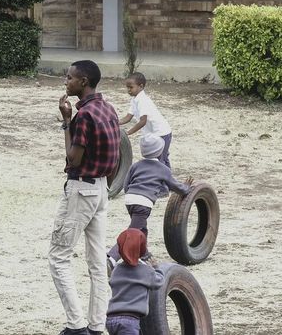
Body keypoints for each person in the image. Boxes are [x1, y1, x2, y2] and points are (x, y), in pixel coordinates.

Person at [49, 60, 120, 335]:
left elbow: (73, 158)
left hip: (81, 188)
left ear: (84, 81)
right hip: (102, 189)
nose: (66, 82)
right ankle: (96, 326)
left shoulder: (84, 116)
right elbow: (116, 157)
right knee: (97, 262)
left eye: (70, 78)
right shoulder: (108, 109)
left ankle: (76, 325)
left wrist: (67, 122)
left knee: (58, 256)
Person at [107, 134, 191, 269]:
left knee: (142, 229)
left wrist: (132, 194)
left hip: (130, 200)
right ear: (160, 152)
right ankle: (111, 257)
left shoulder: (136, 165)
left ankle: (144, 254)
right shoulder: (163, 169)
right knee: (132, 232)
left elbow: (126, 183)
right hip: (143, 203)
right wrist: (187, 188)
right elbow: (176, 187)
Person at [105, 228, 164, 335]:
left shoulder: (116, 269)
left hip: (111, 319)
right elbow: (159, 282)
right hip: (130, 321)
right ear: (142, 249)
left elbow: (112, 283)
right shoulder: (146, 271)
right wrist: (156, 268)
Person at [118, 72, 172, 168]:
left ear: (141, 86)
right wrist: (115, 123)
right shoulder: (135, 99)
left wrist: (128, 133)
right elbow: (128, 117)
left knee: (161, 161)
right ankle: (165, 179)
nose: (128, 90)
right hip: (154, 134)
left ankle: (165, 180)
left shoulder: (142, 100)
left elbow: (143, 121)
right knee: (160, 160)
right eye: (127, 87)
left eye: (131, 87)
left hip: (161, 133)